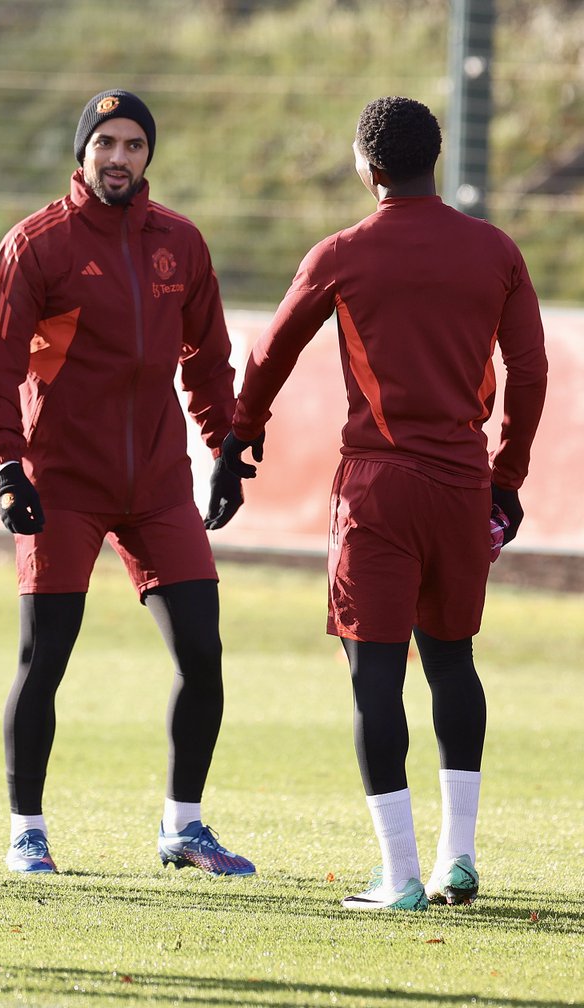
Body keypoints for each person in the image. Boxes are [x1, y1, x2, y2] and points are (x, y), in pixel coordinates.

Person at [220, 96, 548, 910]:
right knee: (453, 661)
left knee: (375, 675)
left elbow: (269, 351)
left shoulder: (344, 253)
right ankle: (457, 859)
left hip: (379, 488)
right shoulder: (496, 250)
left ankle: (398, 874)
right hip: (464, 484)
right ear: (435, 159)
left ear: (366, 167)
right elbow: (532, 372)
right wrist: (506, 475)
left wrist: (238, 437)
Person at [0, 89, 256, 877]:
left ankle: (183, 826)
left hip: (159, 482)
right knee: (45, 658)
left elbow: (206, 357)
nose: (120, 157)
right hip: (61, 482)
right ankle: (27, 830)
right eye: (106, 143)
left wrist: (223, 448)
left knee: (203, 652)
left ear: (148, 155)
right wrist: (5, 463)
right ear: (83, 152)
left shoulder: (180, 243)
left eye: (133, 144)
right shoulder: (37, 245)